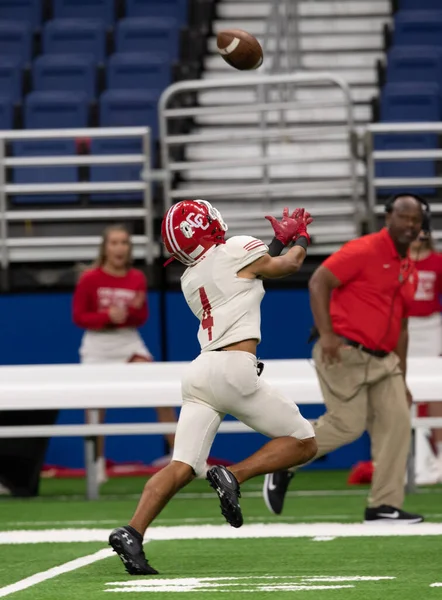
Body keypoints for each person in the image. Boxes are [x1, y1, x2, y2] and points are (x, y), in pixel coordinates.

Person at [108, 200, 317, 575]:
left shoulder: (191, 277)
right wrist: (299, 238)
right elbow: (286, 267)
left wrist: (275, 241)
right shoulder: (235, 249)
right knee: (304, 441)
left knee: (182, 465)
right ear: (209, 226)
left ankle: (132, 531)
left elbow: (245, 274)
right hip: (234, 369)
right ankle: (234, 475)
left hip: (200, 373)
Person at [263, 194, 427, 524]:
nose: (410, 225)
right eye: (404, 217)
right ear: (387, 218)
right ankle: (283, 461)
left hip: (385, 360)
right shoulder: (364, 249)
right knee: (347, 425)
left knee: (396, 424)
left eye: (416, 220)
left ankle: (383, 505)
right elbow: (318, 281)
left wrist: (404, 376)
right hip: (346, 352)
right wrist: (327, 334)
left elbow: (403, 326)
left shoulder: (407, 264)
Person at [72, 224, 177, 483]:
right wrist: (107, 316)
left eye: (124, 243)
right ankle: (95, 465)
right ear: (105, 248)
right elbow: (79, 316)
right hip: (98, 344)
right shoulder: (90, 278)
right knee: (95, 406)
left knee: (160, 389)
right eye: (114, 242)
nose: (120, 247)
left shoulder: (137, 278)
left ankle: (181, 457)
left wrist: (130, 313)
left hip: (128, 342)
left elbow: (142, 317)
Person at [407, 225, 442, 484]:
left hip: (431, 325)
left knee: (434, 390)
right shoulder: (397, 261)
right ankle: (412, 455)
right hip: (403, 326)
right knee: (403, 390)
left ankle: (439, 454)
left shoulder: (437, 261)